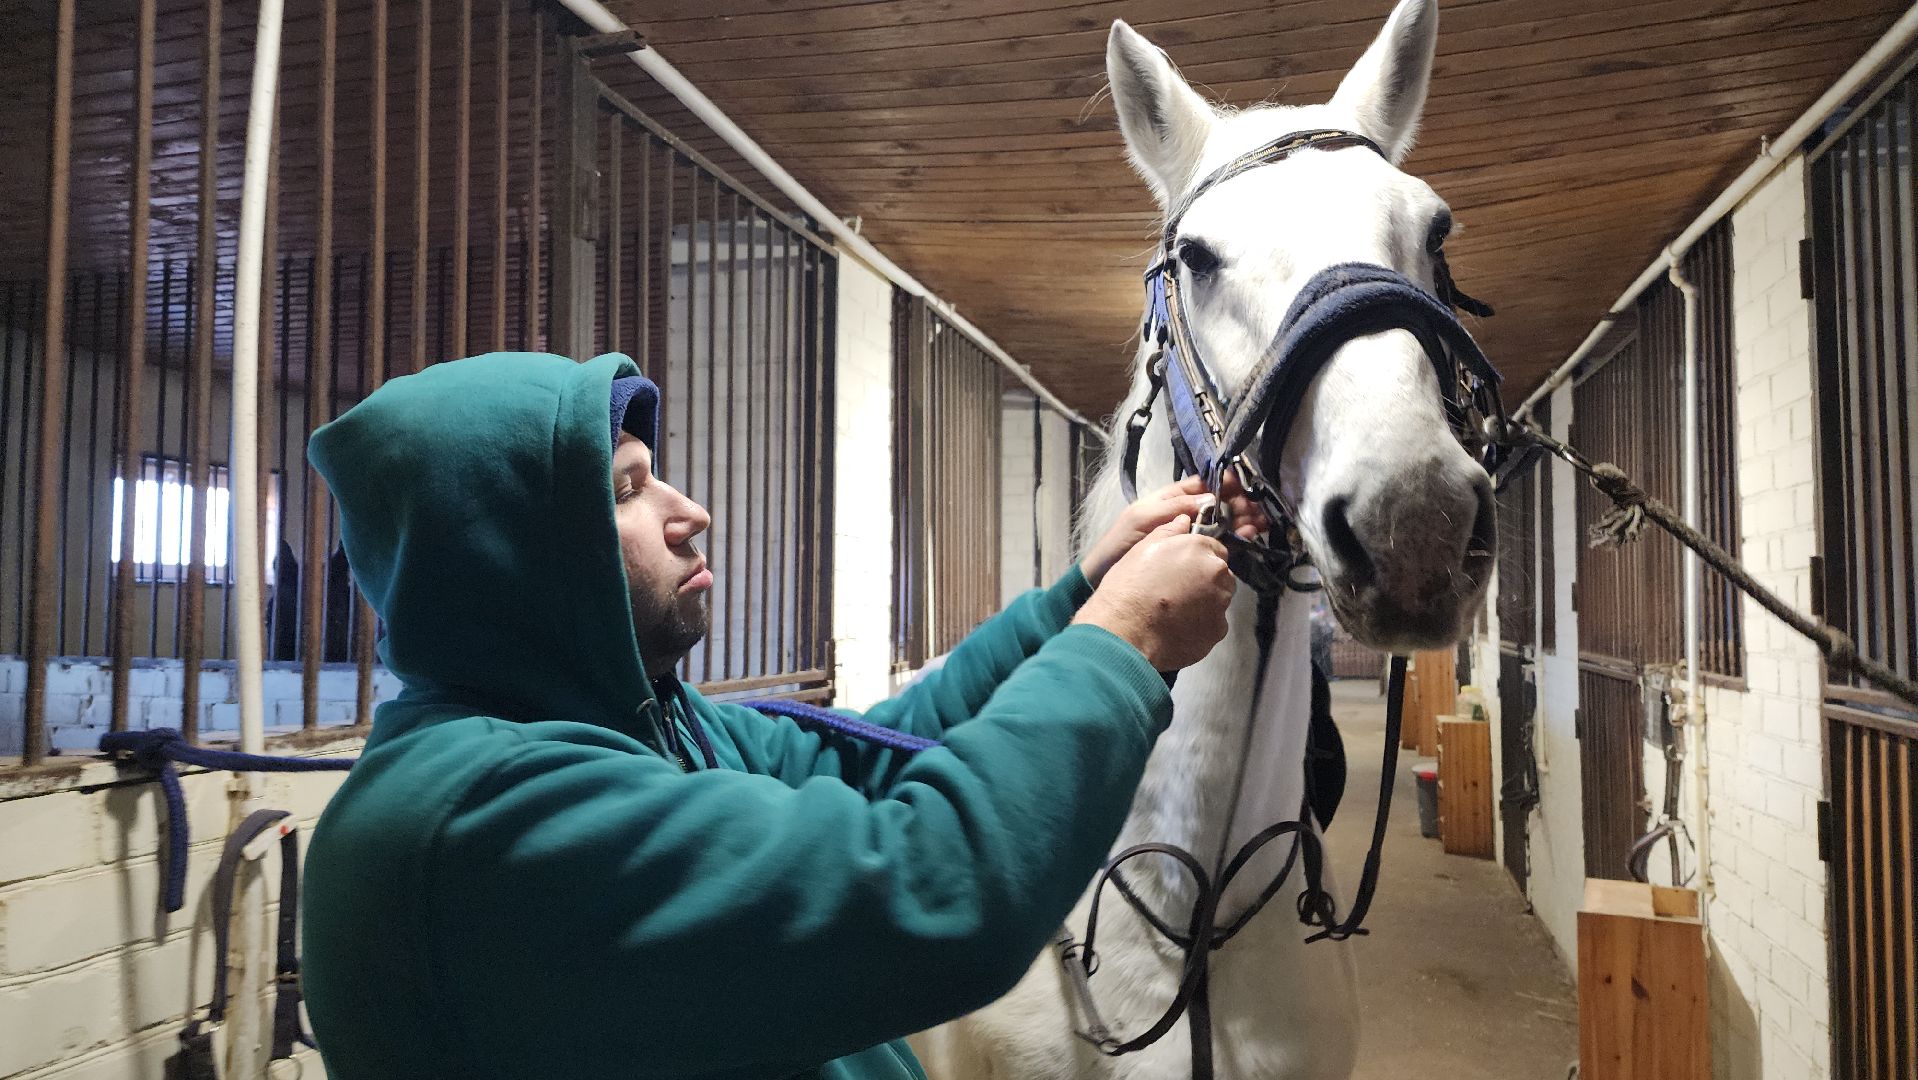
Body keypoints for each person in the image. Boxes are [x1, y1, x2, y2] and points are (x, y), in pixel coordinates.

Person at [300, 351, 1262, 1080]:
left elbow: (887, 751)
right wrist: (1122, 638)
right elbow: (934, 887)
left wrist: (1084, 594)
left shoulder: (651, 726)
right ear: (508, 558)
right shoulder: (479, 820)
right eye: (628, 488)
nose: (691, 511)